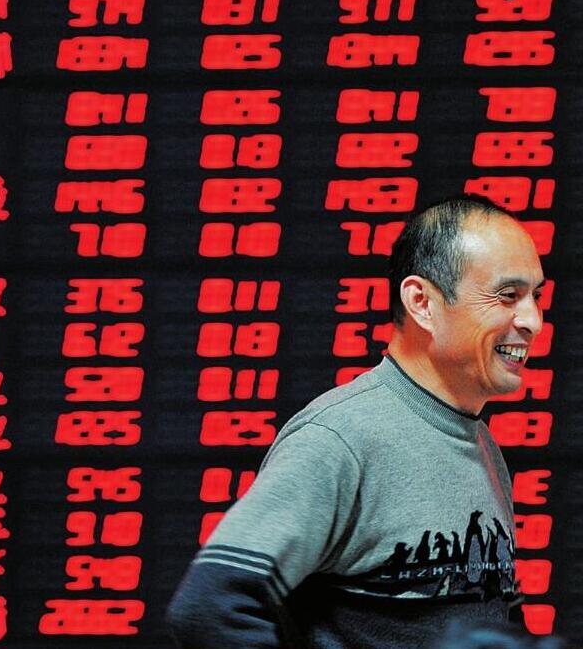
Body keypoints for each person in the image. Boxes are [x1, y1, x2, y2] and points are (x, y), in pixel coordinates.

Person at [166, 195, 545, 649]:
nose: (533, 321)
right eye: (508, 296)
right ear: (422, 302)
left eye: (536, 297)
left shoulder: (478, 441)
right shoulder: (339, 439)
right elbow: (208, 608)